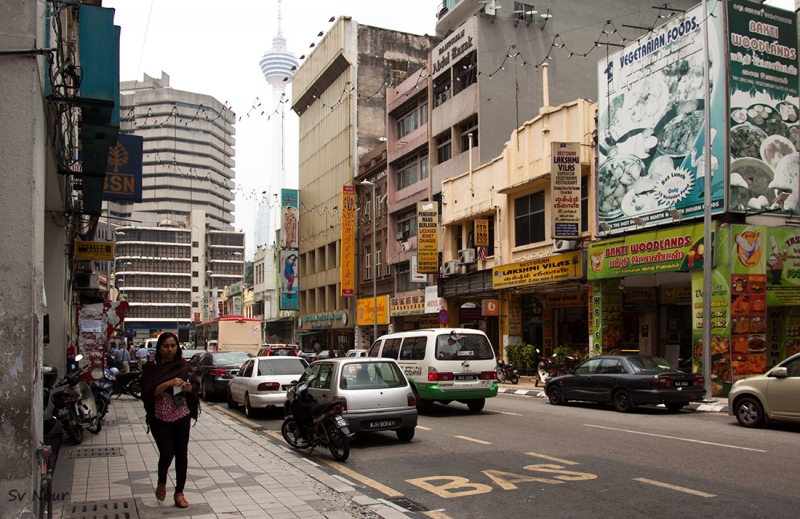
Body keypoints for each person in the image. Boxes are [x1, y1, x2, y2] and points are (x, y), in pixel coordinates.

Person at [140, 332, 199, 509]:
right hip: (159, 417)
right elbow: (148, 392)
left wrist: (188, 388)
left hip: (181, 415)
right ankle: (162, 481)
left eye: (173, 346)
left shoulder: (184, 366)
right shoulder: (151, 368)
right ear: (159, 348)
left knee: (181, 453)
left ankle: (179, 492)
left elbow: (195, 386)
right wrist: (168, 383)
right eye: (166, 346)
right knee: (167, 452)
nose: (170, 350)